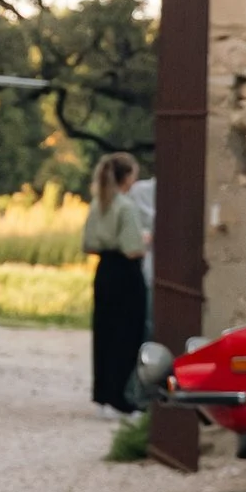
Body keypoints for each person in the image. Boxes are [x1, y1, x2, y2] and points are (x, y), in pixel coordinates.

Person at [82, 148, 151, 413]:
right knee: (127, 334)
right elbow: (133, 247)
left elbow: (88, 243)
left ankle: (103, 394)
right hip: (126, 271)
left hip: (105, 269)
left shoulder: (98, 204)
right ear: (127, 177)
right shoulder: (126, 207)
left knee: (105, 332)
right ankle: (121, 397)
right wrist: (146, 241)